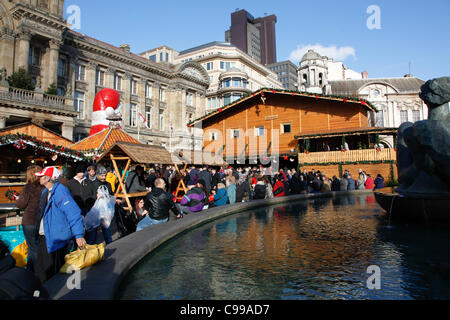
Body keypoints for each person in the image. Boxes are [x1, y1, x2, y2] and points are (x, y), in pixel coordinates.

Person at [34, 166, 86, 284]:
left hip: (55, 237)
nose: (40, 178)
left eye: (42, 176)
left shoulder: (60, 191)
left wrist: (78, 235)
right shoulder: (45, 192)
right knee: (41, 269)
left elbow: (73, 212)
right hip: (45, 235)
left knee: (51, 272)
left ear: (48, 178)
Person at [14, 165, 44, 272]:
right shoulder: (44, 187)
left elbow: (21, 204)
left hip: (30, 220)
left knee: (32, 248)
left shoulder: (28, 187)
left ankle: (32, 271)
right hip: (41, 220)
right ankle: (40, 269)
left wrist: (17, 200)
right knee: (39, 246)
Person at [85, 166, 114, 245]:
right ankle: (92, 249)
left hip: (105, 212)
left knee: (107, 232)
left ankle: (110, 246)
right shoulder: (92, 184)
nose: (104, 177)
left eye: (105, 175)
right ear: (97, 175)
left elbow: (111, 194)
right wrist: (95, 196)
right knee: (93, 235)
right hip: (96, 212)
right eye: (102, 175)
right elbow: (88, 197)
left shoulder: (108, 184)